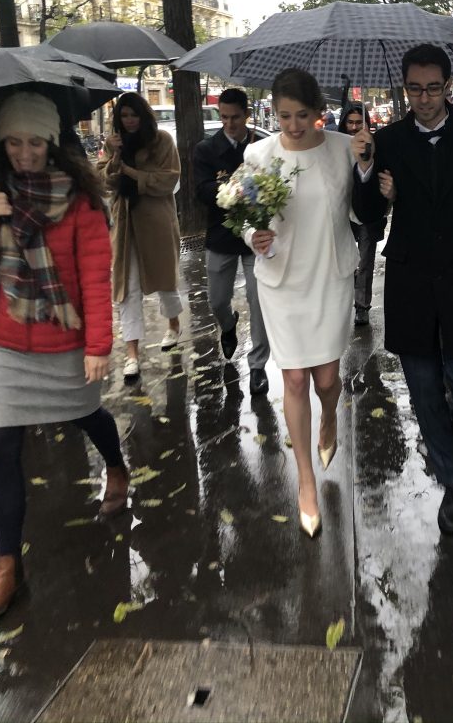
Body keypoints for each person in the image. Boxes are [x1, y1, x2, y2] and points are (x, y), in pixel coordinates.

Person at [353, 44, 453, 536]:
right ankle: (452, 482)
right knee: (422, 385)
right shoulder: (387, 141)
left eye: (432, 88)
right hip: (409, 278)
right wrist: (368, 175)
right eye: (414, 89)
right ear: (404, 88)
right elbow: (367, 215)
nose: (423, 99)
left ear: (448, 86)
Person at [0, 91, 127, 621]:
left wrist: (99, 345)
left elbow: (95, 276)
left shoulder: (81, 202)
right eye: (14, 141)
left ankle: (116, 465)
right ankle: (7, 567)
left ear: (52, 142)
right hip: (3, 341)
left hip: (64, 340)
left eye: (34, 142)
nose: (24, 153)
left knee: (88, 416)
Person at [245, 69, 368, 539]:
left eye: (302, 115)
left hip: (329, 273)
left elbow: (360, 212)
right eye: (283, 116)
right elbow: (245, 211)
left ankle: (330, 415)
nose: (293, 125)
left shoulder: (341, 146)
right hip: (281, 280)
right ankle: (305, 482)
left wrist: (365, 165)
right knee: (294, 377)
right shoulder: (258, 154)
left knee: (328, 378)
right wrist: (251, 235)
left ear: (319, 112)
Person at [99, 93, 183, 380]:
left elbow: (168, 180)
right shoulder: (113, 144)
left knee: (164, 281)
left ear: (143, 115)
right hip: (124, 225)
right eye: (124, 115)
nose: (130, 121)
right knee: (127, 287)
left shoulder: (162, 140)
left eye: (134, 114)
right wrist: (114, 157)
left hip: (156, 221)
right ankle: (131, 352)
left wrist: (131, 172)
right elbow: (103, 181)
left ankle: (173, 324)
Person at [193, 88, 270, 394]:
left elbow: (272, 184)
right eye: (224, 117)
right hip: (221, 234)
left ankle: (257, 366)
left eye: (235, 117)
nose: (229, 123)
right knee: (217, 300)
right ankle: (228, 325)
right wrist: (236, 186)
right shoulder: (206, 149)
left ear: (246, 114)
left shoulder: (261, 145)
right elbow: (201, 190)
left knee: (257, 298)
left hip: (257, 236)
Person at [338, 103, 387, 326]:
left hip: (367, 214)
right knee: (346, 261)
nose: (355, 127)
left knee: (365, 260)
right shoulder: (335, 147)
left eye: (359, 122)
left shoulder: (375, 145)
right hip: (342, 213)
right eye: (351, 122)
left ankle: (362, 305)